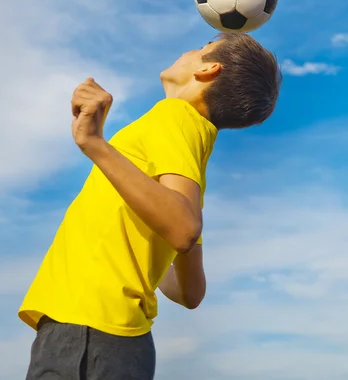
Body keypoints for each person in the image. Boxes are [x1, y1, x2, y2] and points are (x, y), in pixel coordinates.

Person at [19, 32, 281, 380]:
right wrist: (143, 244)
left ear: (209, 69)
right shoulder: (192, 142)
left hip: (88, 331)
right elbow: (190, 291)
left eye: (201, 48)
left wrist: (94, 143)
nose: (189, 50)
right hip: (113, 343)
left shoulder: (174, 116)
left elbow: (184, 228)